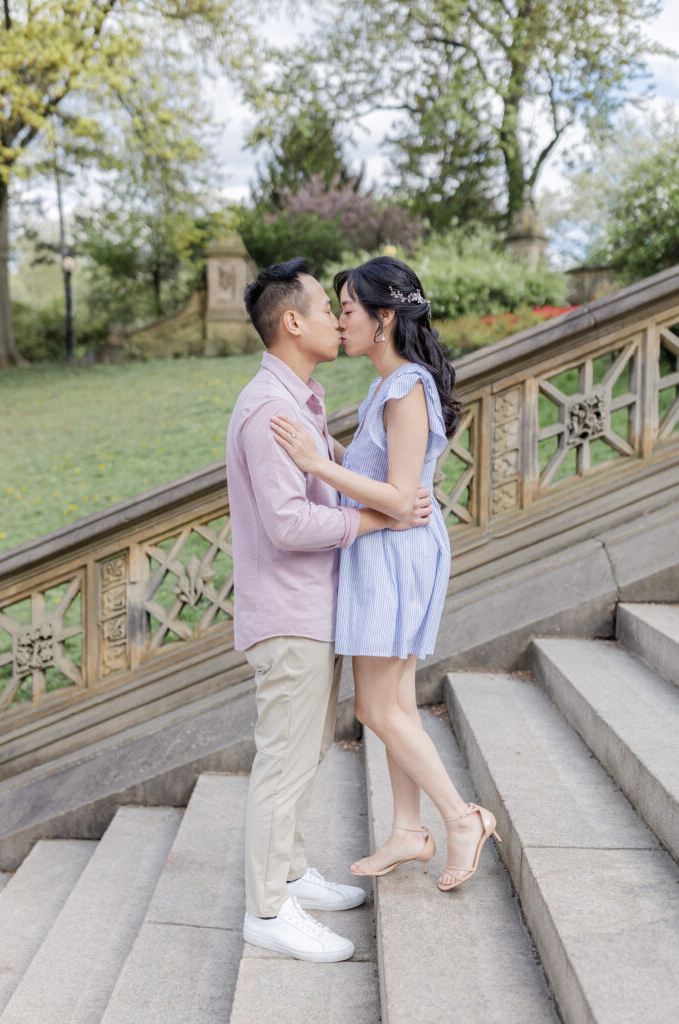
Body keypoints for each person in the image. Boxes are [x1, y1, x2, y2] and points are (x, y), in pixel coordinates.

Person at [271, 255, 501, 894]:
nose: (339, 321)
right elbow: (386, 478)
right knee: (395, 703)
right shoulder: (386, 386)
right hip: (386, 554)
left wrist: (317, 464)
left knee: (375, 704)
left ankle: (461, 818)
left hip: (396, 556)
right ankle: (407, 830)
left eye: (347, 310)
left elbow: (400, 498)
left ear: (384, 318)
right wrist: (334, 450)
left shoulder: (405, 389)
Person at [226, 257, 433, 963]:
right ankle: (267, 910)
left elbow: (344, 470)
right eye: (324, 309)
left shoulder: (303, 404)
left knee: (304, 750)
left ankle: (287, 872)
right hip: (287, 613)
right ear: (291, 323)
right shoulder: (270, 411)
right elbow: (286, 525)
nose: (335, 319)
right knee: (283, 758)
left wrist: (382, 495)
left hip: (313, 610)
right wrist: (381, 522)